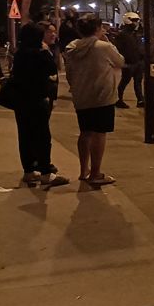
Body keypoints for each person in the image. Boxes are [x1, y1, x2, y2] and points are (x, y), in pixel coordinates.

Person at [64, 14, 124, 186]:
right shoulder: (103, 47)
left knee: (85, 132)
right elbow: (120, 61)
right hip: (102, 97)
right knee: (99, 134)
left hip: (81, 96)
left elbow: (70, 73)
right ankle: (96, 173)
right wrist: (107, 41)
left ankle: (84, 170)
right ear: (98, 28)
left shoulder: (72, 48)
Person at [10, 22, 68, 187]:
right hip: (37, 99)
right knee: (42, 136)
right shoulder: (39, 53)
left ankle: (28, 170)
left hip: (21, 101)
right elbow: (51, 68)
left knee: (25, 135)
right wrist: (45, 51)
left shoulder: (20, 53)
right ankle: (45, 173)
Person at [113, 12, 144, 109]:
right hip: (128, 62)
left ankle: (140, 100)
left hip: (137, 61)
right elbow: (119, 48)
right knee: (124, 81)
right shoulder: (122, 34)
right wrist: (123, 62)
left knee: (137, 82)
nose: (136, 23)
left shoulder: (134, 33)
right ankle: (119, 99)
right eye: (134, 21)